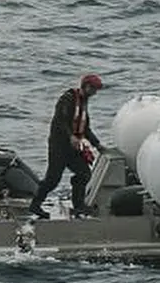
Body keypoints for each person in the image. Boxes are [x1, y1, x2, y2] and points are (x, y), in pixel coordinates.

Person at [28, 73, 107, 219]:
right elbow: (60, 121)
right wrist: (70, 136)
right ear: (86, 86)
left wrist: (97, 145)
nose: (95, 93)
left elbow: (85, 128)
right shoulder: (67, 99)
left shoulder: (84, 103)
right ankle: (35, 204)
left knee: (84, 173)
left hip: (73, 148)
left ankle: (78, 206)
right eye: (94, 89)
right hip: (59, 146)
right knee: (52, 179)